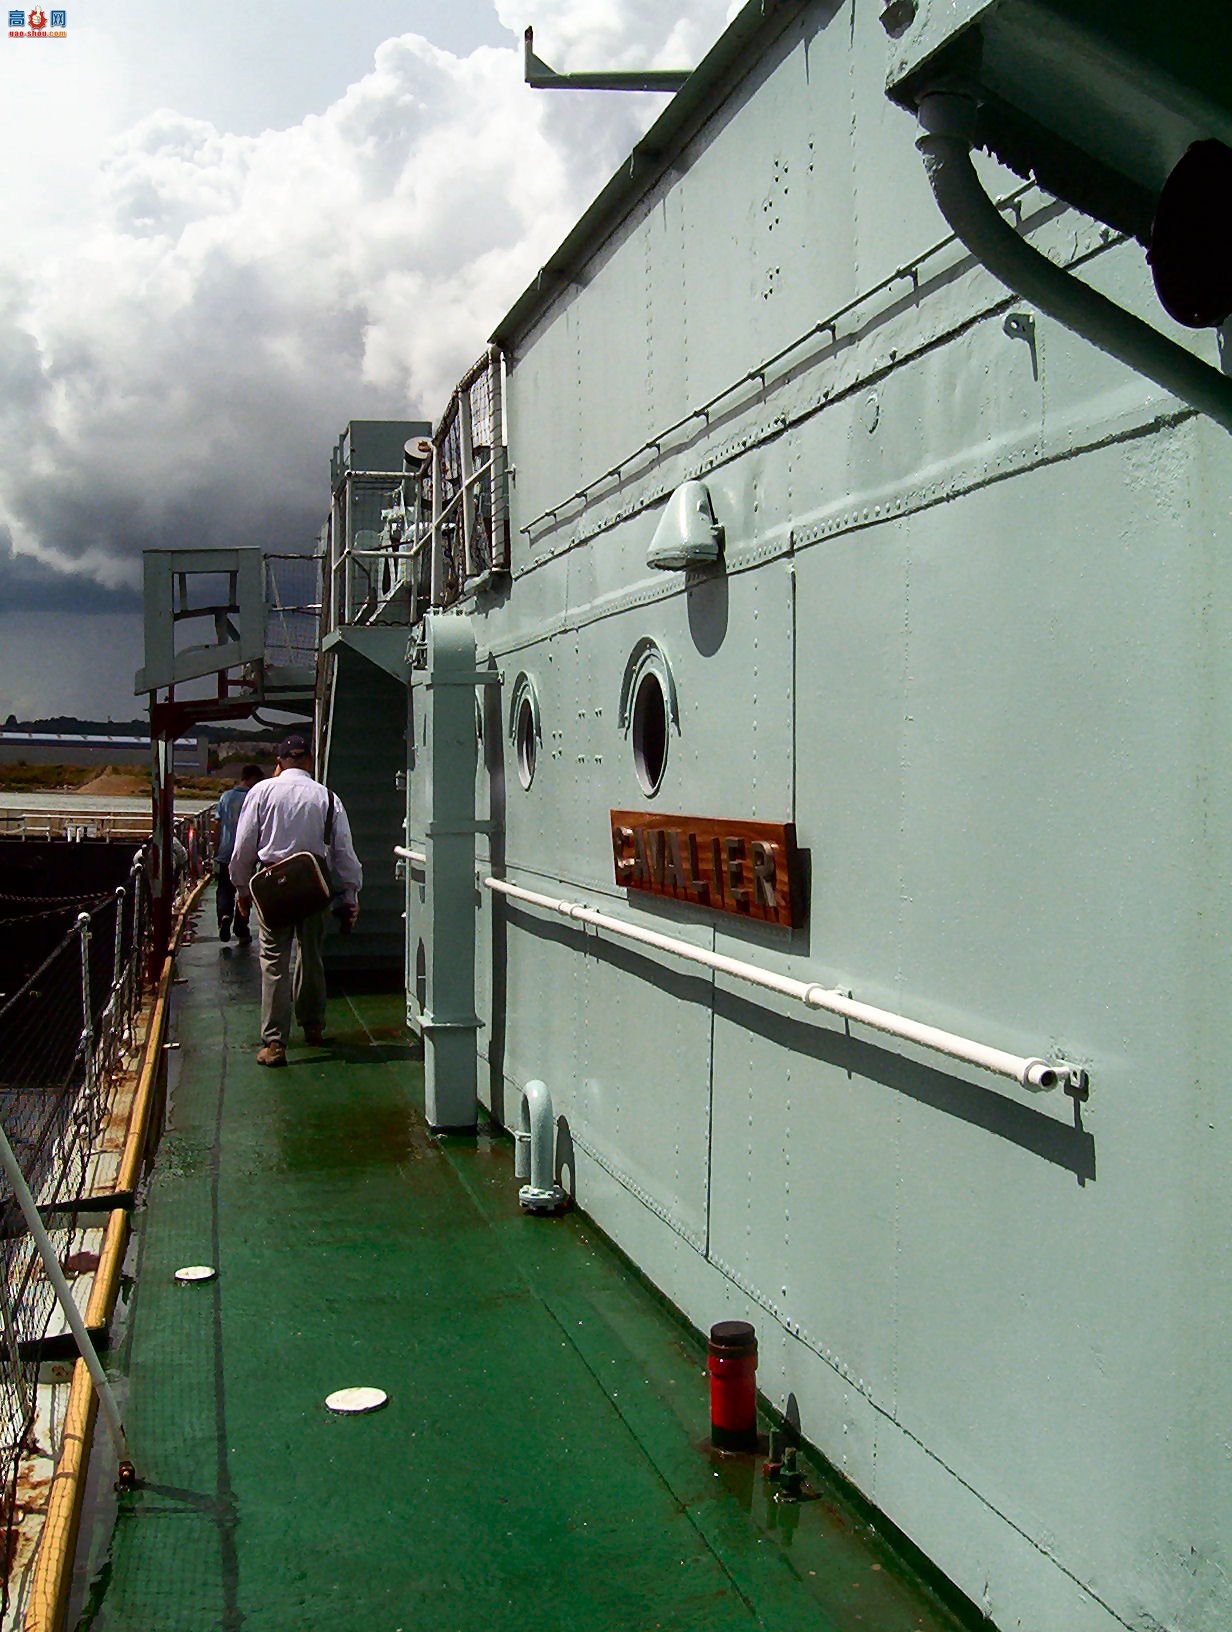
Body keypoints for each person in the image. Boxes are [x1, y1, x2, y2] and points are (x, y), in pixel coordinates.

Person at [228, 735, 362, 1067]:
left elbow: (243, 848)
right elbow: (344, 853)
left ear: (280, 761)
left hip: (273, 885)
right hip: (314, 886)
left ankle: (275, 1043)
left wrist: (243, 890)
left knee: (274, 962)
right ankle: (313, 1026)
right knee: (311, 955)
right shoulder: (328, 798)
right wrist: (350, 893)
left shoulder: (261, 792)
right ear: (309, 760)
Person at [212, 763, 263, 944]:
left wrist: (215, 848)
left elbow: (217, 825)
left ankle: (224, 916)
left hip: (225, 851)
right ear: (253, 778)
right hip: (247, 853)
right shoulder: (255, 797)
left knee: (224, 888)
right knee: (245, 891)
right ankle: (241, 928)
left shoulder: (225, 797)